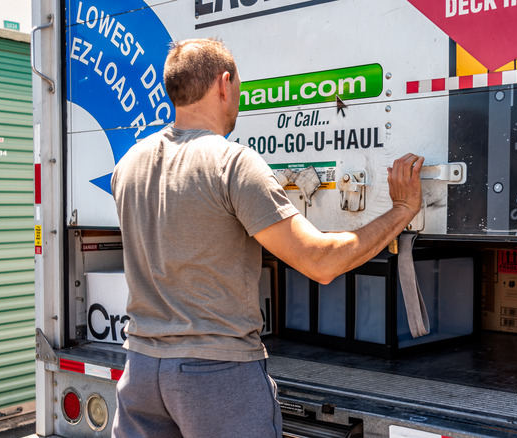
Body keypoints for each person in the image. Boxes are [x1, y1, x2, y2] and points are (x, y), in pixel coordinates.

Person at [110, 38, 424, 438]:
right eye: (237, 85)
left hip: (139, 371)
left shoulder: (130, 164)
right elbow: (321, 262)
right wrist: (401, 210)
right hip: (215, 376)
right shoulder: (232, 163)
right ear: (224, 84)